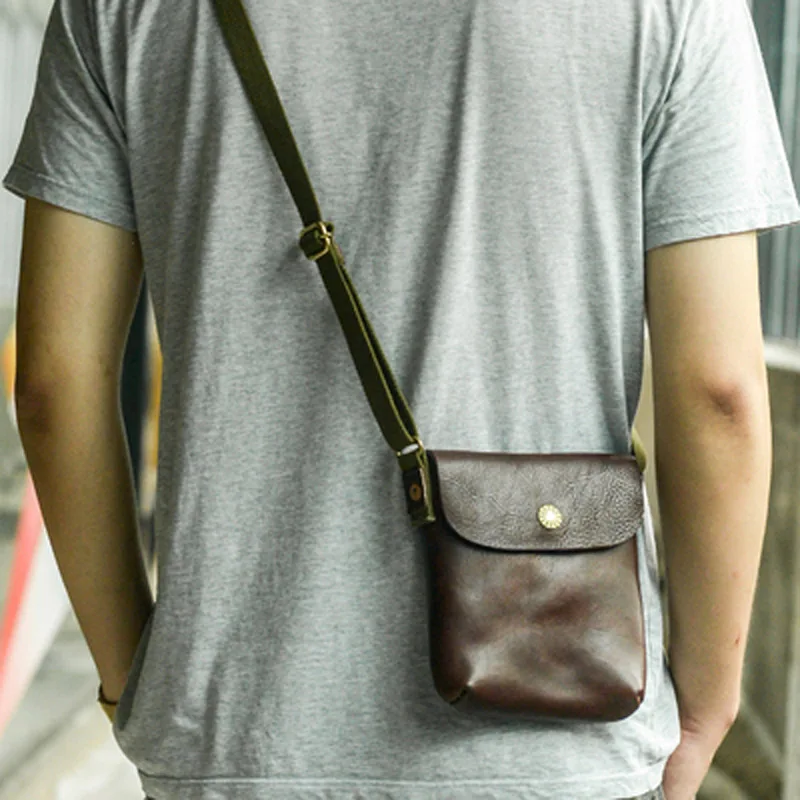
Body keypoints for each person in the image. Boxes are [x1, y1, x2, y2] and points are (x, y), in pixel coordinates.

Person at [4, 0, 799, 797]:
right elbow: (718, 395)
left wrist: (133, 680)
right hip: (559, 734)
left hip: (234, 734)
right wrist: (706, 708)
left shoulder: (115, 10)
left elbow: (52, 381)